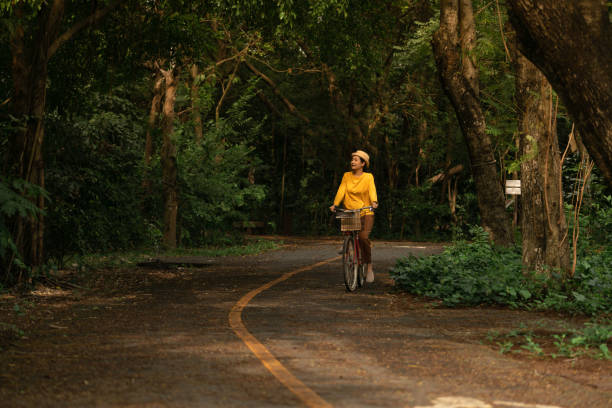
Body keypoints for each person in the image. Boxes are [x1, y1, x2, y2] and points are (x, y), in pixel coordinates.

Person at [330, 150, 378, 282]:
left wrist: (374, 202)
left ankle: (368, 267)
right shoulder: (346, 176)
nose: (352, 162)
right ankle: (347, 245)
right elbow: (341, 190)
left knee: (363, 237)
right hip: (351, 211)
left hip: (365, 211)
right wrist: (335, 203)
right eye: (352, 159)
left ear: (363, 163)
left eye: (356, 160)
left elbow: (372, 190)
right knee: (348, 232)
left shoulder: (368, 177)